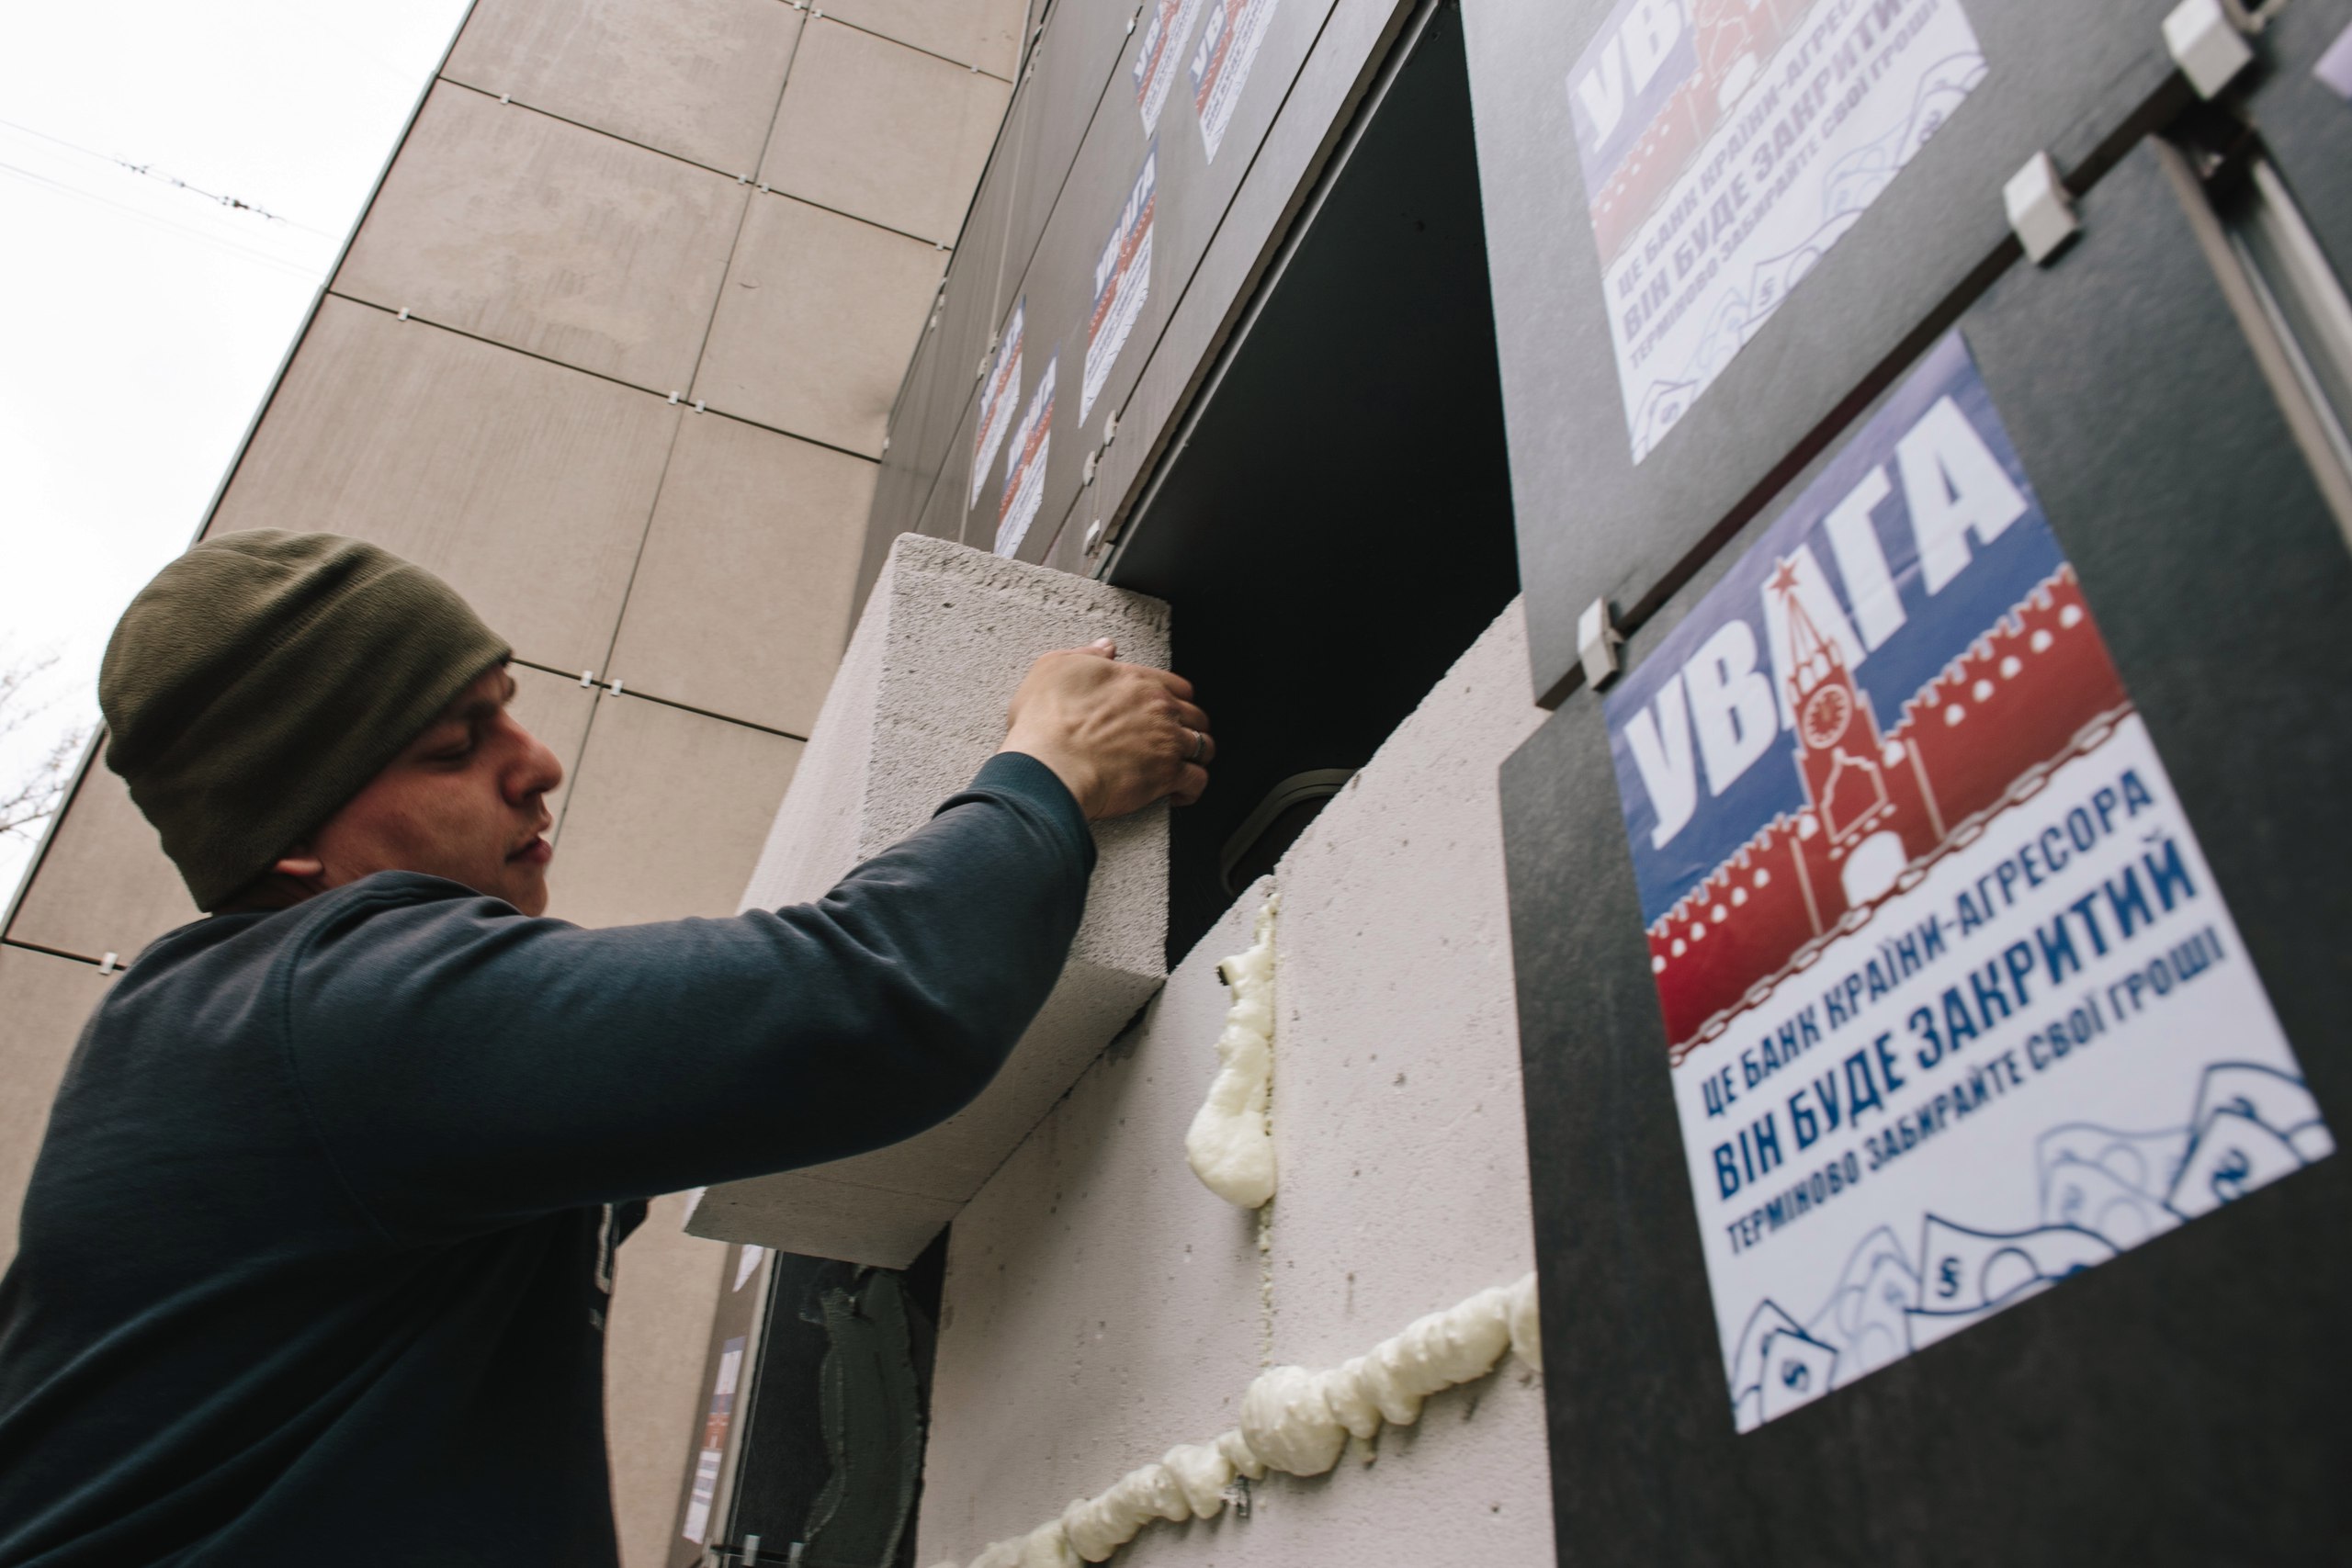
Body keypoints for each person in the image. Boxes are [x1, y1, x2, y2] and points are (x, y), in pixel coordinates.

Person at [0, 530, 1213, 1566]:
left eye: (506, 710)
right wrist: (1047, 773)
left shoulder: (289, 1059)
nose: (536, 765)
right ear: (289, 844)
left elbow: (735, 1057)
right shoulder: (325, 1011)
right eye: (455, 746)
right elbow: (862, 1003)